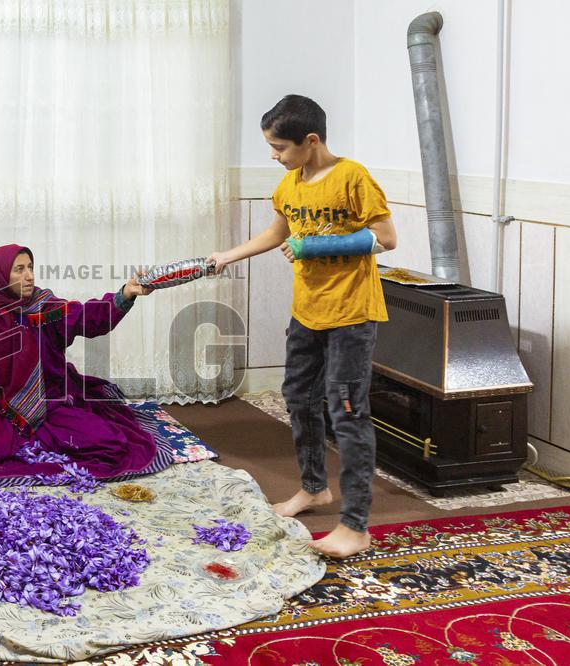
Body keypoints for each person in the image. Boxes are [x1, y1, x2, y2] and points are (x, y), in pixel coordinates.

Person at [207, 95, 397, 558]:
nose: (273, 155)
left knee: (348, 412)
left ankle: (355, 525)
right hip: (307, 311)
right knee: (297, 398)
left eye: (279, 147)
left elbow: (386, 238)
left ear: (310, 141)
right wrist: (227, 256)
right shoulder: (291, 183)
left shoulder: (352, 176)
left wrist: (312, 249)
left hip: (352, 314)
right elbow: (279, 231)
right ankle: (314, 488)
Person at [0, 244, 170, 487]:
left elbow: (89, 317)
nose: (29, 276)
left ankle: (33, 438)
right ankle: (27, 439)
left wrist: (126, 294)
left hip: (48, 404)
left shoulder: (45, 308)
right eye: (19, 269)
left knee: (111, 443)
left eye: (31, 267)